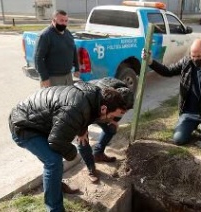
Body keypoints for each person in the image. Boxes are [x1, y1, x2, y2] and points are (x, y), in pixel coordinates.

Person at [9, 82, 127, 212]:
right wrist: (73, 153)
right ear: (104, 109)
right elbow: (56, 141)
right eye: (111, 116)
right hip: (23, 125)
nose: (111, 120)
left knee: (54, 160)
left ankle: (55, 186)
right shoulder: (76, 107)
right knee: (53, 161)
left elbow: (87, 114)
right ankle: (55, 209)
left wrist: (82, 131)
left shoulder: (94, 96)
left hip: (38, 120)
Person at [142, 39, 201, 152]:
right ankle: (192, 127)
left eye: (198, 56)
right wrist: (150, 62)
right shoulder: (187, 62)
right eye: (192, 56)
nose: (195, 59)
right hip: (189, 113)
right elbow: (168, 71)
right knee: (178, 139)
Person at [78, 77, 134, 183]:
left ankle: (98, 154)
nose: (124, 114)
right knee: (83, 139)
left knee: (111, 129)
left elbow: (118, 113)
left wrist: (112, 120)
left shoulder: (125, 92)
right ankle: (91, 169)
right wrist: (82, 129)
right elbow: (84, 109)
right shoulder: (97, 94)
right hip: (85, 111)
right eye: (122, 111)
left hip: (104, 112)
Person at [34, 10, 80, 88]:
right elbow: (38, 59)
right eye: (61, 21)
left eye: (66, 21)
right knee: (52, 100)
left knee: (67, 99)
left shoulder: (68, 33)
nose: (64, 23)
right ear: (53, 21)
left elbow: (73, 50)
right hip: (52, 78)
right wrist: (44, 78)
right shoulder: (45, 36)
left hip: (68, 76)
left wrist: (77, 68)